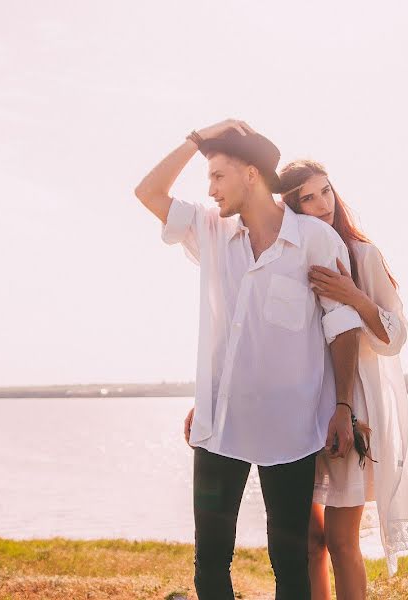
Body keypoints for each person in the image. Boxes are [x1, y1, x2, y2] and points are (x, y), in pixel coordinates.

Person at [135, 119, 363, 600]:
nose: (212, 189)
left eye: (218, 175)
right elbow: (148, 191)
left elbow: (343, 326)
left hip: (292, 431)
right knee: (210, 563)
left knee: (291, 563)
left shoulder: (314, 240)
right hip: (220, 427)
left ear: (253, 174)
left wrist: (342, 407)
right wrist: (199, 140)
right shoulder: (210, 230)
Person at [279, 159, 408, 599]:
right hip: (300, 405)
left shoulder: (362, 255)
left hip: (351, 403)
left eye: (326, 191)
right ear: (292, 206)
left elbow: (394, 337)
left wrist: (356, 297)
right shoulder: (287, 259)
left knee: (341, 541)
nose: (323, 204)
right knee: (309, 542)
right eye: (308, 196)